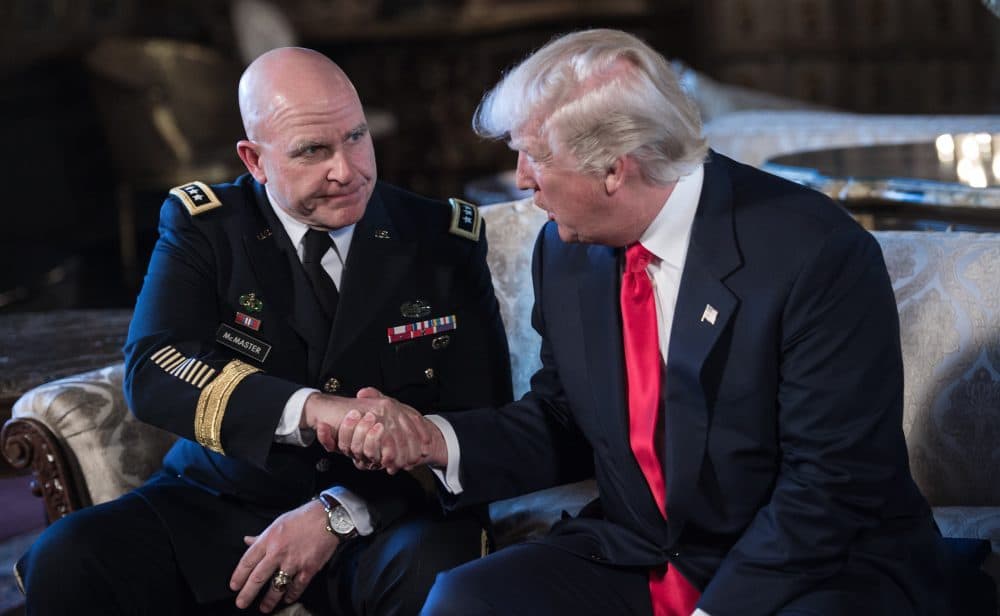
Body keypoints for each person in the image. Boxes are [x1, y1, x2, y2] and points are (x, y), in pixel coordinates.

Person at [327, 30, 994, 615]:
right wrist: (434, 441)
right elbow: (565, 420)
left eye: (534, 155)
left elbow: (830, 487)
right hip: (644, 552)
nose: (521, 179)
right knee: (466, 601)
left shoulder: (814, 252)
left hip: (812, 566)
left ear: (615, 170)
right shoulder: (564, 250)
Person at [19, 47, 512, 615]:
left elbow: (482, 420)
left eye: (356, 137)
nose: (347, 170)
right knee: (71, 556)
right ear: (254, 160)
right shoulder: (208, 228)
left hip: (384, 511)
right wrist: (312, 409)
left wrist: (339, 512)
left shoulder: (441, 239)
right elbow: (153, 367)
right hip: (224, 501)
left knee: (439, 569)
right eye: (313, 150)